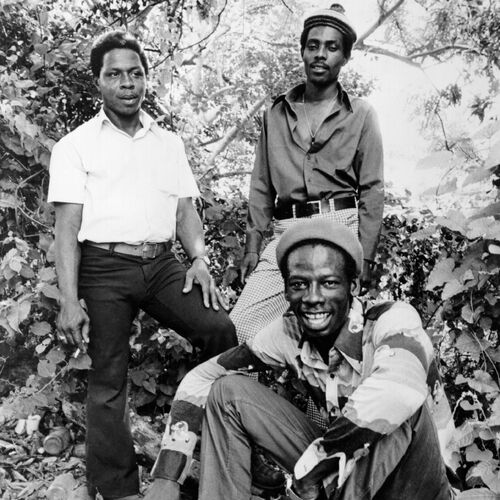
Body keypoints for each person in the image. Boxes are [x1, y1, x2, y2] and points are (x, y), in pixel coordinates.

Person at [47, 30, 237, 500]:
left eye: (135, 73)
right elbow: (67, 229)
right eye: (115, 75)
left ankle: (222, 454)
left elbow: (185, 211)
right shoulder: (75, 145)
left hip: (162, 265)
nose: (127, 83)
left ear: (147, 78)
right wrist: (69, 300)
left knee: (219, 331)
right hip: (104, 267)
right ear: (98, 81)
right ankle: (119, 490)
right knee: (108, 376)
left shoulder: (168, 143)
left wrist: (199, 259)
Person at [145, 218, 455, 500]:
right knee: (228, 393)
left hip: (417, 483)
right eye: (299, 284)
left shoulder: (392, 320)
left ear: (354, 286)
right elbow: (203, 377)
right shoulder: (288, 333)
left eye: (329, 283)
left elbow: (398, 393)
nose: (312, 297)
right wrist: (167, 477)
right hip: (340, 472)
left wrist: (312, 470)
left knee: (395, 406)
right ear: (286, 291)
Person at [231, 4, 384, 348]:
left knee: (330, 335)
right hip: (288, 231)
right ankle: (267, 382)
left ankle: (320, 384)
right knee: (240, 328)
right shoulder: (275, 113)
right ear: (302, 51)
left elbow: (372, 189)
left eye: (332, 47)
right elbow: (261, 184)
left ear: (345, 57)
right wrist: (253, 246)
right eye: (313, 45)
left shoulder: (361, 114)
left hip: (340, 228)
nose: (320, 54)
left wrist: (366, 255)